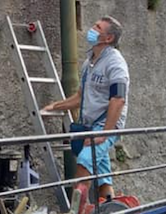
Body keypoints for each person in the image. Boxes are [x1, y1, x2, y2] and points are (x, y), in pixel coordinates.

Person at [43, 16, 129, 200]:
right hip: (91, 126)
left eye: (97, 27)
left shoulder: (115, 63)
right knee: (102, 177)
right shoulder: (89, 63)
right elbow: (80, 97)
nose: (92, 29)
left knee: (84, 162)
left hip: (106, 125)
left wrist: (104, 133)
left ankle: (77, 210)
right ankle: (109, 206)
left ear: (108, 38)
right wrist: (54, 106)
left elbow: (118, 99)